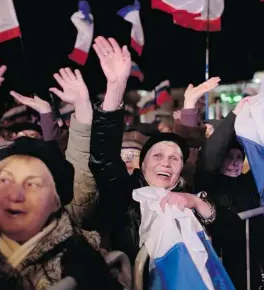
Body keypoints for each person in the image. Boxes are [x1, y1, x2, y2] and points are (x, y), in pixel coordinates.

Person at [0, 58, 122, 290]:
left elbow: (82, 172)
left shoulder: (84, 261)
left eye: (33, 184)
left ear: (56, 200)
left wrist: (83, 108)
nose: (16, 195)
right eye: (6, 179)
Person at [89, 36, 217, 263]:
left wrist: (195, 202)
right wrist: (116, 88)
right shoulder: (125, 194)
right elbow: (104, 157)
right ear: (142, 163)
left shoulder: (186, 192)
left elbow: (223, 222)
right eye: (157, 156)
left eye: (174, 159)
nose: (166, 163)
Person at [195, 98, 264, 290]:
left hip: (251, 263)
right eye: (229, 157)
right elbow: (211, 154)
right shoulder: (209, 181)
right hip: (222, 263)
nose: (235, 163)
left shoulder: (247, 183)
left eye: (239, 157)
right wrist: (235, 115)